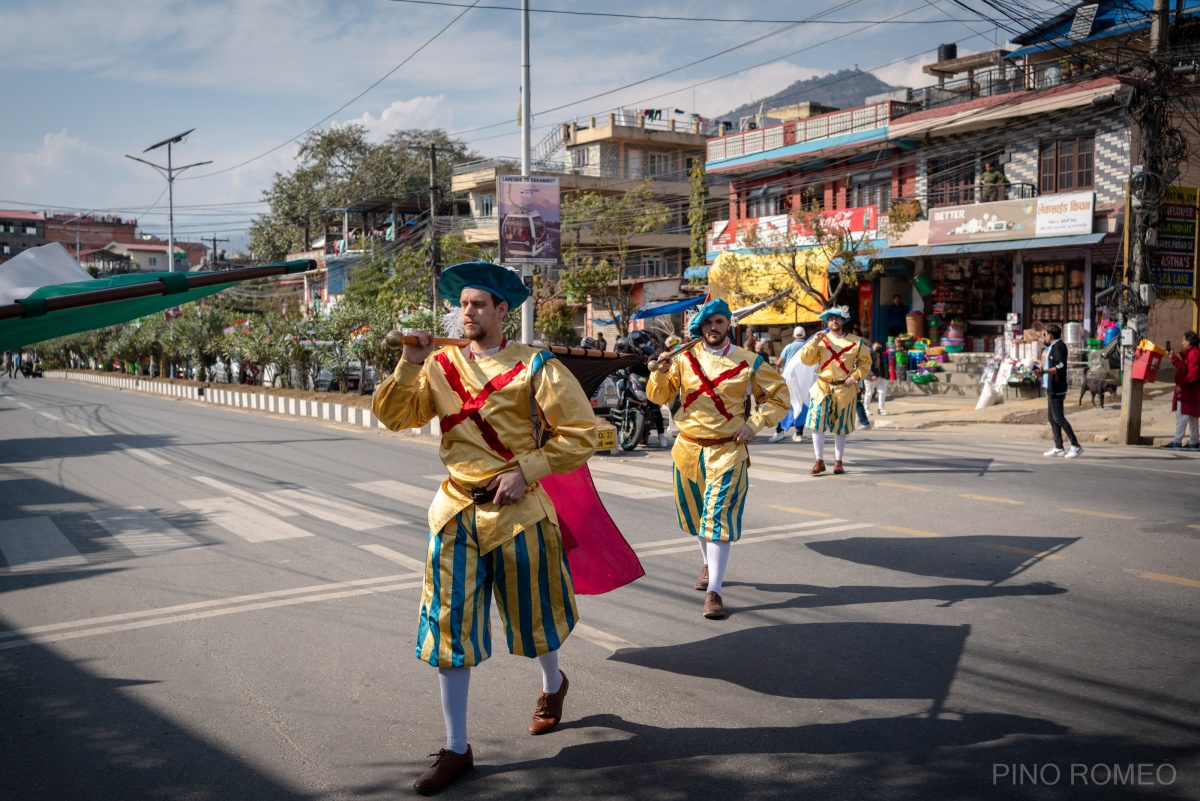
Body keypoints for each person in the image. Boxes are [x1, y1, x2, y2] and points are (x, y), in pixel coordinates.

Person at [372, 261, 599, 795]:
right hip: (454, 512)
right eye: (463, 304)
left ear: (503, 311)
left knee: (535, 618)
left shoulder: (536, 365)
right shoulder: (438, 364)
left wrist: (528, 470)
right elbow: (393, 417)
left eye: (478, 305)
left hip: (520, 514)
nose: (467, 313)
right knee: (449, 629)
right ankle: (456, 748)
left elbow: (582, 434)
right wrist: (409, 363)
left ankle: (552, 683)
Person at [647, 299, 788, 619]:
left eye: (720, 322)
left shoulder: (749, 361)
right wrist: (661, 372)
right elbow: (658, 396)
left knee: (717, 519)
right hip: (687, 450)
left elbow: (779, 396)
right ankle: (710, 565)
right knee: (698, 518)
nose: (714, 327)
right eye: (708, 323)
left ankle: (715, 592)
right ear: (701, 327)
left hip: (728, 451)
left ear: (729, 325)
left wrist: (754, 424)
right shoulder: (682, 358)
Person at [800, 306, 872, 475]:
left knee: (842, 426)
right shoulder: (820, 339)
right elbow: (806, 359)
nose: (834, 321)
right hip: (822, 386)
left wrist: (854, 377)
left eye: (837, 318)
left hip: (845, 389)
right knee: (817, 424)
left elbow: (866, 364)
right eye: (831, 318)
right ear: (827, 321)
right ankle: (819, 461)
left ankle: (838, 462)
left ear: (843, 320)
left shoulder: (856, 342)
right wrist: (814, 341)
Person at [1033, 324, 1083, 458]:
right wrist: (1037, 338)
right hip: (1050, 386)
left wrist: (1042, 371)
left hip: (1057, 386)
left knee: (1059, 418)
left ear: (1050, 335)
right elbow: (1045, 343)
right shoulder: (1053, 346)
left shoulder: (1059, 347)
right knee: (1052, 418)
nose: (1045, 337)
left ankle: (1076, 445)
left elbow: (1059, 367)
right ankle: (1059, 447)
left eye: (1045, 334)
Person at [1162, 331, 1200, 449]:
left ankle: (1177, 441)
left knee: (1182, 416)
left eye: (1183, 340)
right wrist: (1172, 356)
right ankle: (1194, 442)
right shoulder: (1191, 353)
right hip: (1191, 392)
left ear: (1189, 341)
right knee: (1192, 417)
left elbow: (1193, 373)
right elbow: (1183, 368)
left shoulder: (1193, 354)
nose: (1182, 342)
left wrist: (1182, 385)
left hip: (1188, 391)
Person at [769, 326, 808, 443]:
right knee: (802, 404)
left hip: (789, 379)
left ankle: (780, 430)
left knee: (785, 404)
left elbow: (779, 362)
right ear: (805, 336)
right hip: (804, 379)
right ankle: (799, 432)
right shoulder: (808, 347)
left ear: (793, 336)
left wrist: (777, 369)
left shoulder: (789, 347)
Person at [863, 341, 889, 415]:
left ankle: (881, 409)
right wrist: (872, 374)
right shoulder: (868, 352)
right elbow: (867, 365)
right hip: (870, 376)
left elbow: (882, 365)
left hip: (880, 376)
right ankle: (866, 409)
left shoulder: (880, 354)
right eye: (877, 346)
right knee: (869, 393)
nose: (879, 347)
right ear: (873, 345)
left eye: (880, 346)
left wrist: (884, 375)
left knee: (882, 391)